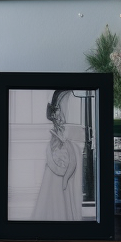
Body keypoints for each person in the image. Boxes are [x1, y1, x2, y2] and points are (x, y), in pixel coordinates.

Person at [30, 90, 83, 221]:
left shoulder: (65, 134)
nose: (59, 115)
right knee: (54, 194)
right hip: (57, 166)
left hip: (61, 163)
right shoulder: (57, 137)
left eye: (59, 111)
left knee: (60, 194)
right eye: (57, 111)